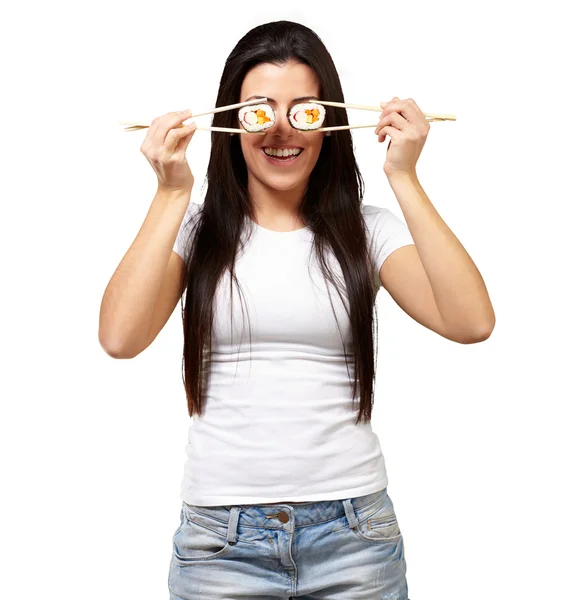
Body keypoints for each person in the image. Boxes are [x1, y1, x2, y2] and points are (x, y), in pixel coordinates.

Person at [100, 19, 494, 600]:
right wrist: (171, 191)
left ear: (329, 123)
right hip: (220, 541)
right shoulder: (195, 229)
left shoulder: (366, 231)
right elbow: (119, 337)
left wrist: (404, 176)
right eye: (260, 110)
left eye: (304, 111)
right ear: (232, 124)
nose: (282, 129)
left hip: (355, 534)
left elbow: (471, 322)